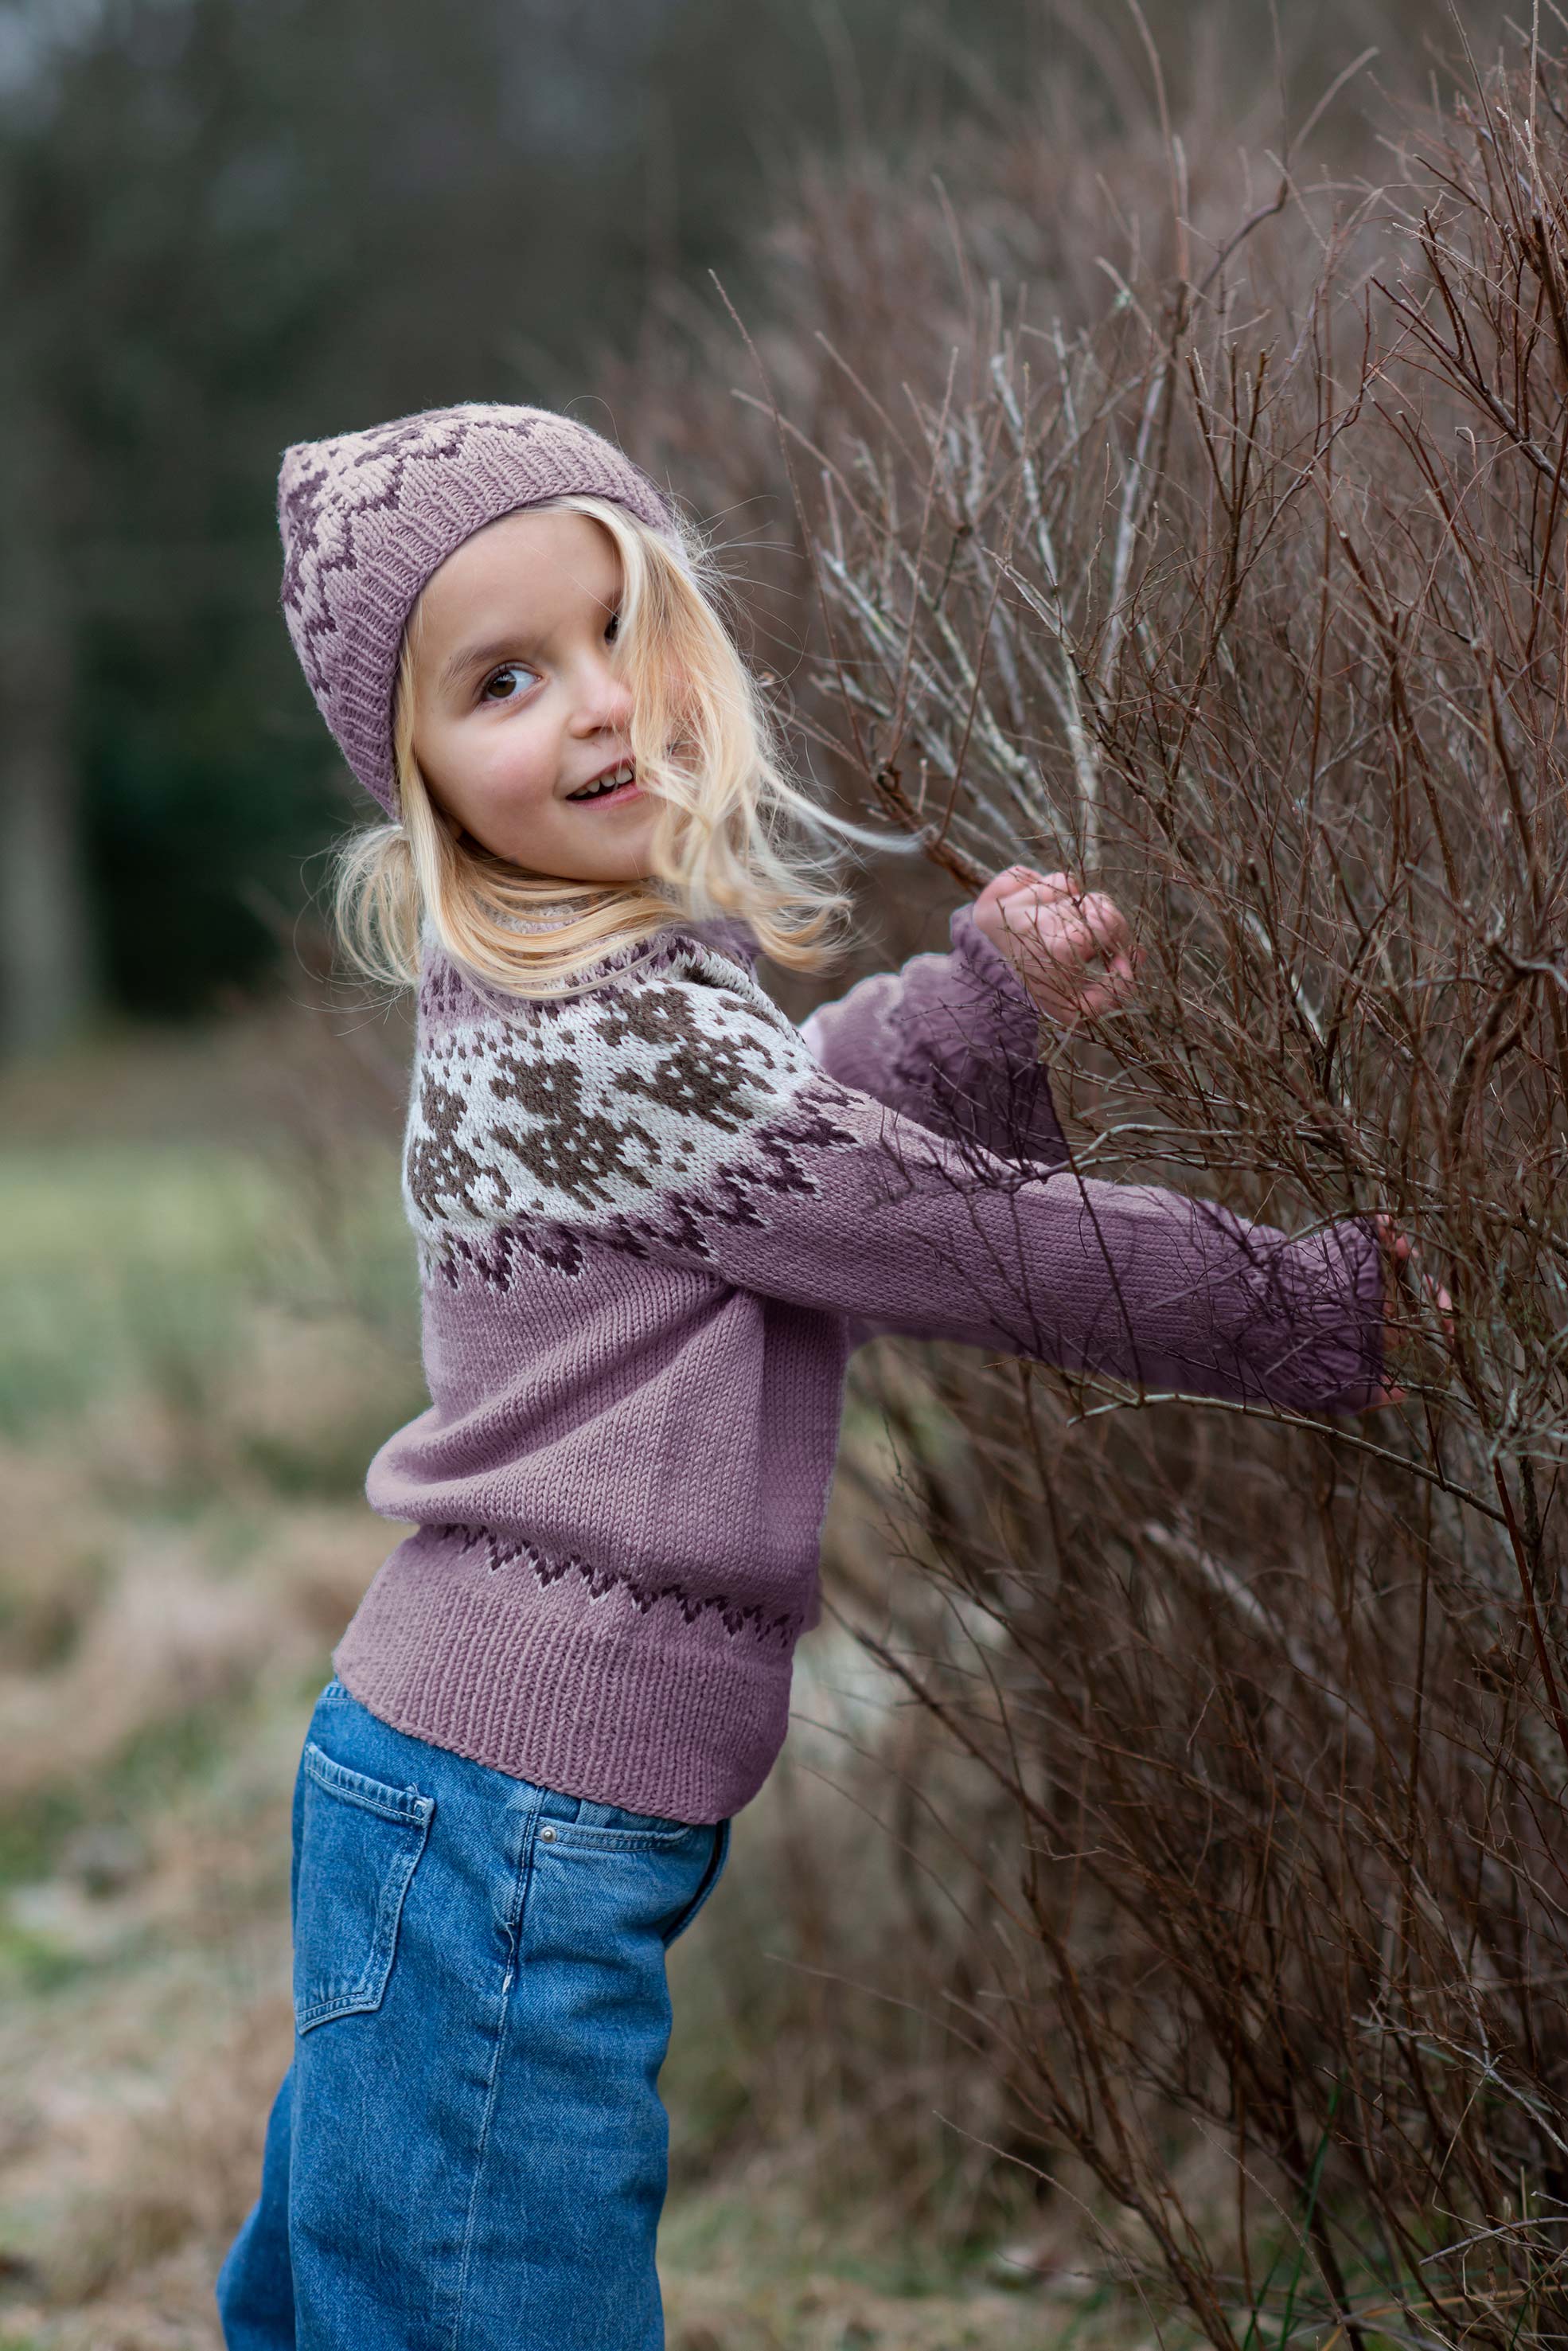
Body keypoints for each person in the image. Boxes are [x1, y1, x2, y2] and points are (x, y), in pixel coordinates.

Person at [216, 401, 1419, 2349]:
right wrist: (1305, 1302)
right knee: (479, 2303)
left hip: (480, 1784)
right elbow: (943, 1231)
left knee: (371, 2285)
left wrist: (971, 1011)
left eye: (622, 627)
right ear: (418, 774)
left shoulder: (610, 984)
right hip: (499, 1804)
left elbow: (792, 1143)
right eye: (506, 680)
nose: (599, 707)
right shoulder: (584, 1037)